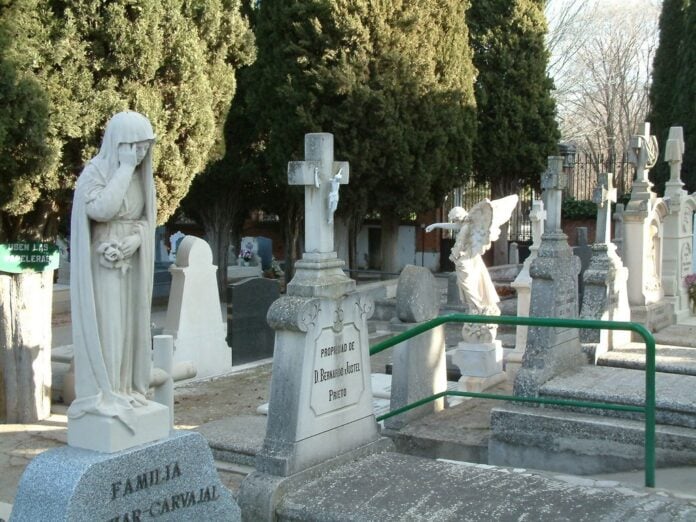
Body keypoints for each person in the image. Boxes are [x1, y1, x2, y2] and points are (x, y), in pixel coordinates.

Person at [68, 111, 156, 432]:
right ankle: (109, 391)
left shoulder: (139, 177)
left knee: (130, 325)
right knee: (110, 326)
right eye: (136, 147)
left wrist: (136, 240)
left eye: (146, 148)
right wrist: (125, 168)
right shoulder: (96, 172)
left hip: (131, 256)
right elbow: (102, 209)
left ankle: (126, 388)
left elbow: (147, 220)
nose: (142, 154)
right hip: (104, 258)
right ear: (120, 144)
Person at [426, 196, 518, 341]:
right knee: (469, 285)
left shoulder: (466, 228)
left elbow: (460, 243)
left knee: (468, 286)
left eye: (454, 219)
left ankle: (477, 308)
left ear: (458, 217)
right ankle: (475, 307)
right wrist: (436, 225)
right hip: (466, 260)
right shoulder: (466, 224)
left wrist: (456, 255)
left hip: (465, 261)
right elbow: (454, 228)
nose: (454, 222)